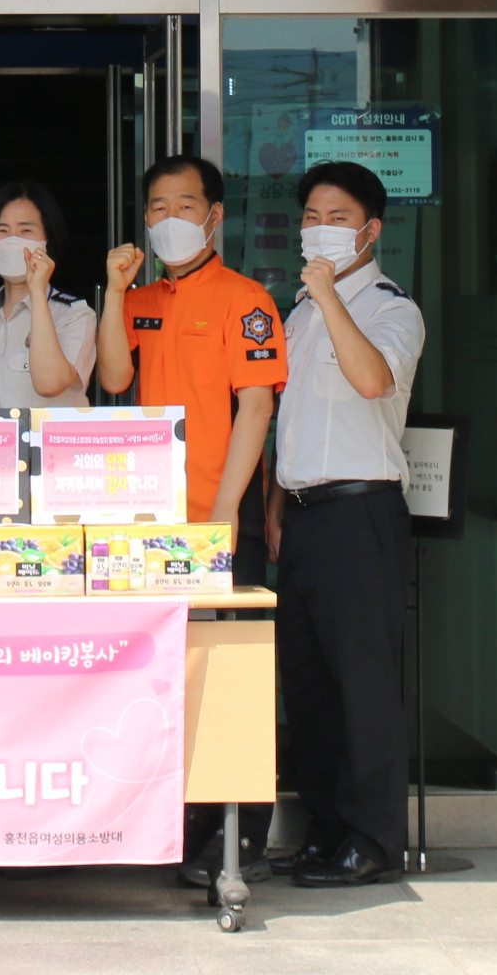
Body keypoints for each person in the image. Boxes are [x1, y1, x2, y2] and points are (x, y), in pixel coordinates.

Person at [98, 152, 288, 884]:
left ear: (214, 216)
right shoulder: (142, 299)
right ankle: (187, 823)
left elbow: (257, 408)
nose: (168, 219)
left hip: (220, 522)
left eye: (184, 206)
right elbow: (114, 375)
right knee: (170, 676)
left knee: (233, 674)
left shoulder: (246, 301)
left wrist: (225, 511)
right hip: (152, 527)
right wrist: (116, 292)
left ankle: (241, 839)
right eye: (157, 207)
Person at [265, 160, 427, 890]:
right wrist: (276, 509)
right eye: (312, 217)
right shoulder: (297, 313)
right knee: (310, 687)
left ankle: (372, 840)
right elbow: (289, 421)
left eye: (338, 218)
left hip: (361, 514)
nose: (321, 230)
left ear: (371, 231)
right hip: (303, 517)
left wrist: (331, 297)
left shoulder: (393, 310)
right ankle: (324, 831)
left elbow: (371, 380)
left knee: (362, 685)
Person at [0, 179, 96, 408]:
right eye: (2, 230)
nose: (12, 240)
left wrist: (37, 292)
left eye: (26, 230)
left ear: (47, 241)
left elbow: (50, 383)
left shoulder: (74, 315)